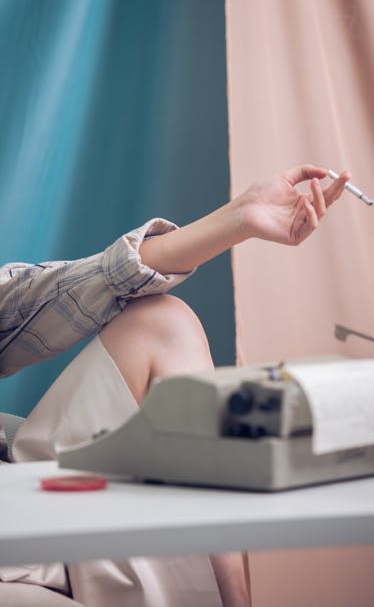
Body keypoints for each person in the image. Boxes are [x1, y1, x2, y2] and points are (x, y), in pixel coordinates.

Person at [0, 164, 349, 607]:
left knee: (165, 324)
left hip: (23, 503)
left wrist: (240, 218)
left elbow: (74, 287)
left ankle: (236, 599)